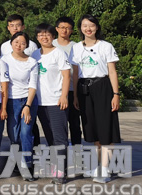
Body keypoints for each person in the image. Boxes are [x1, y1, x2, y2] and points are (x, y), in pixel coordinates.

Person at [70, 15, 121, 184]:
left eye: (91, 25)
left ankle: (105, 169)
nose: (88, 28)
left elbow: (112, 71)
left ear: (97, 27)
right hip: (84, 90)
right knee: (93, 130)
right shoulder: (76, 48)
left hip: (103, 88)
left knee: (106, 129)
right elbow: (75, 74)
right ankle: (101, 165)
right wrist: (75, 95)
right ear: (80, 28)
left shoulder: (106, 46)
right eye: (85, 25)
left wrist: (116, 94)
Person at [33, 23, 70, 185]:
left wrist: (64, 96)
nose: (44, 37)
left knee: (59, 137)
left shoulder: (59, 53)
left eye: (47, 34)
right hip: (40, 103)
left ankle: (61, 173)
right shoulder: (35, 54)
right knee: (49, 137)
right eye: (40, 34)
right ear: (37, 37)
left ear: (53, 36)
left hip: (56, 101)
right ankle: (56, 168)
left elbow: (66, 76)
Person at [1, 32, 38, 181]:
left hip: (28, 101)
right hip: (11, 101)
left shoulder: (32, 62)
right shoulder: (4, 60)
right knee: (14, 135)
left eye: (23, 43)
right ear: (11, 43)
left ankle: (26, 165)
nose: (19, 45)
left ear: (27, 45)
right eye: (16, 42)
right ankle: (17, 162)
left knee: (25, 132)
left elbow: (33, 85)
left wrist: (28, 105)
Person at [52, 16, 82, 147]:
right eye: (62, 27)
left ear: (72, 30)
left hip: (71, 89)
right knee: (58, 124)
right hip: (54, 92)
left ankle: (77, 151)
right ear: (56, 29)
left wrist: (76, 94)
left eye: (68, 28)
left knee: (74, 123)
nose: (64, 30)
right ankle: (59, 150)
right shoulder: (51, 45)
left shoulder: (76, 47)